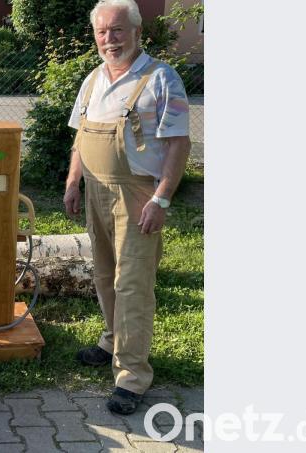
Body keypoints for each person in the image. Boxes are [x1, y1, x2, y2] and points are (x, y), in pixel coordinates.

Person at [63, 0, 191, 415]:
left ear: (137, 31)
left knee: (132, 283)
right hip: (96, 192)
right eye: (102, 32)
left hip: (138, 195)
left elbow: (179, 143)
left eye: (117, 30)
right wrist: (73, 182)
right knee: (104, 274)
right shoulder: (93, 79)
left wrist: (162, 198)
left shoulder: (161, 78)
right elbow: (80, 138)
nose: (109, 39)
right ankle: (112, 340)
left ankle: (132, 375)